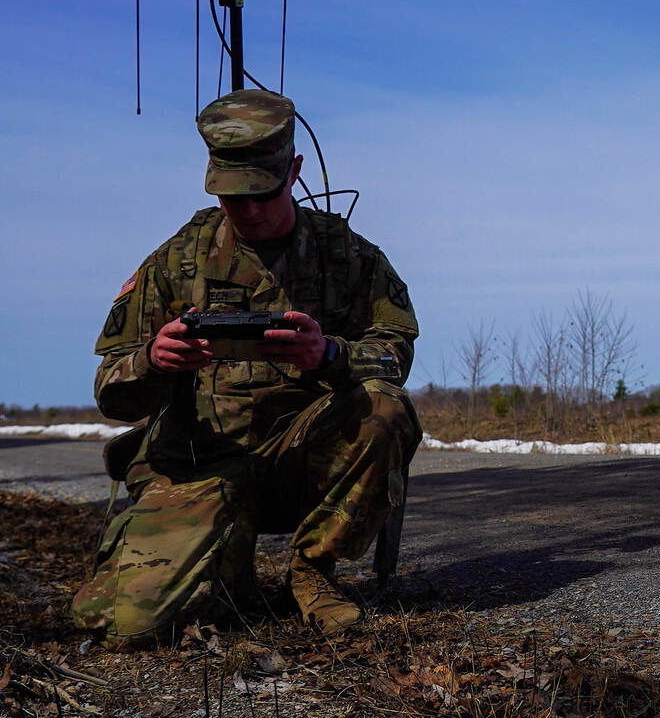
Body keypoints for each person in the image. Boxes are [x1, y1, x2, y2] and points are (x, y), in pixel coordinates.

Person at [72, 90, 421, 647]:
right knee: (126, 625)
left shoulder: (348, 258)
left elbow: (395, 353)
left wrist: (329, 355)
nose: (251, 211)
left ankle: (312, 572)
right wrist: (152, 361)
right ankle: (224, 568)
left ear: (294, 172)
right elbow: (112, 392)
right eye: (234, 198)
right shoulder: (177, 261)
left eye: (263, 193)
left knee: (382, 407)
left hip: (300, 463)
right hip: (200, 467)